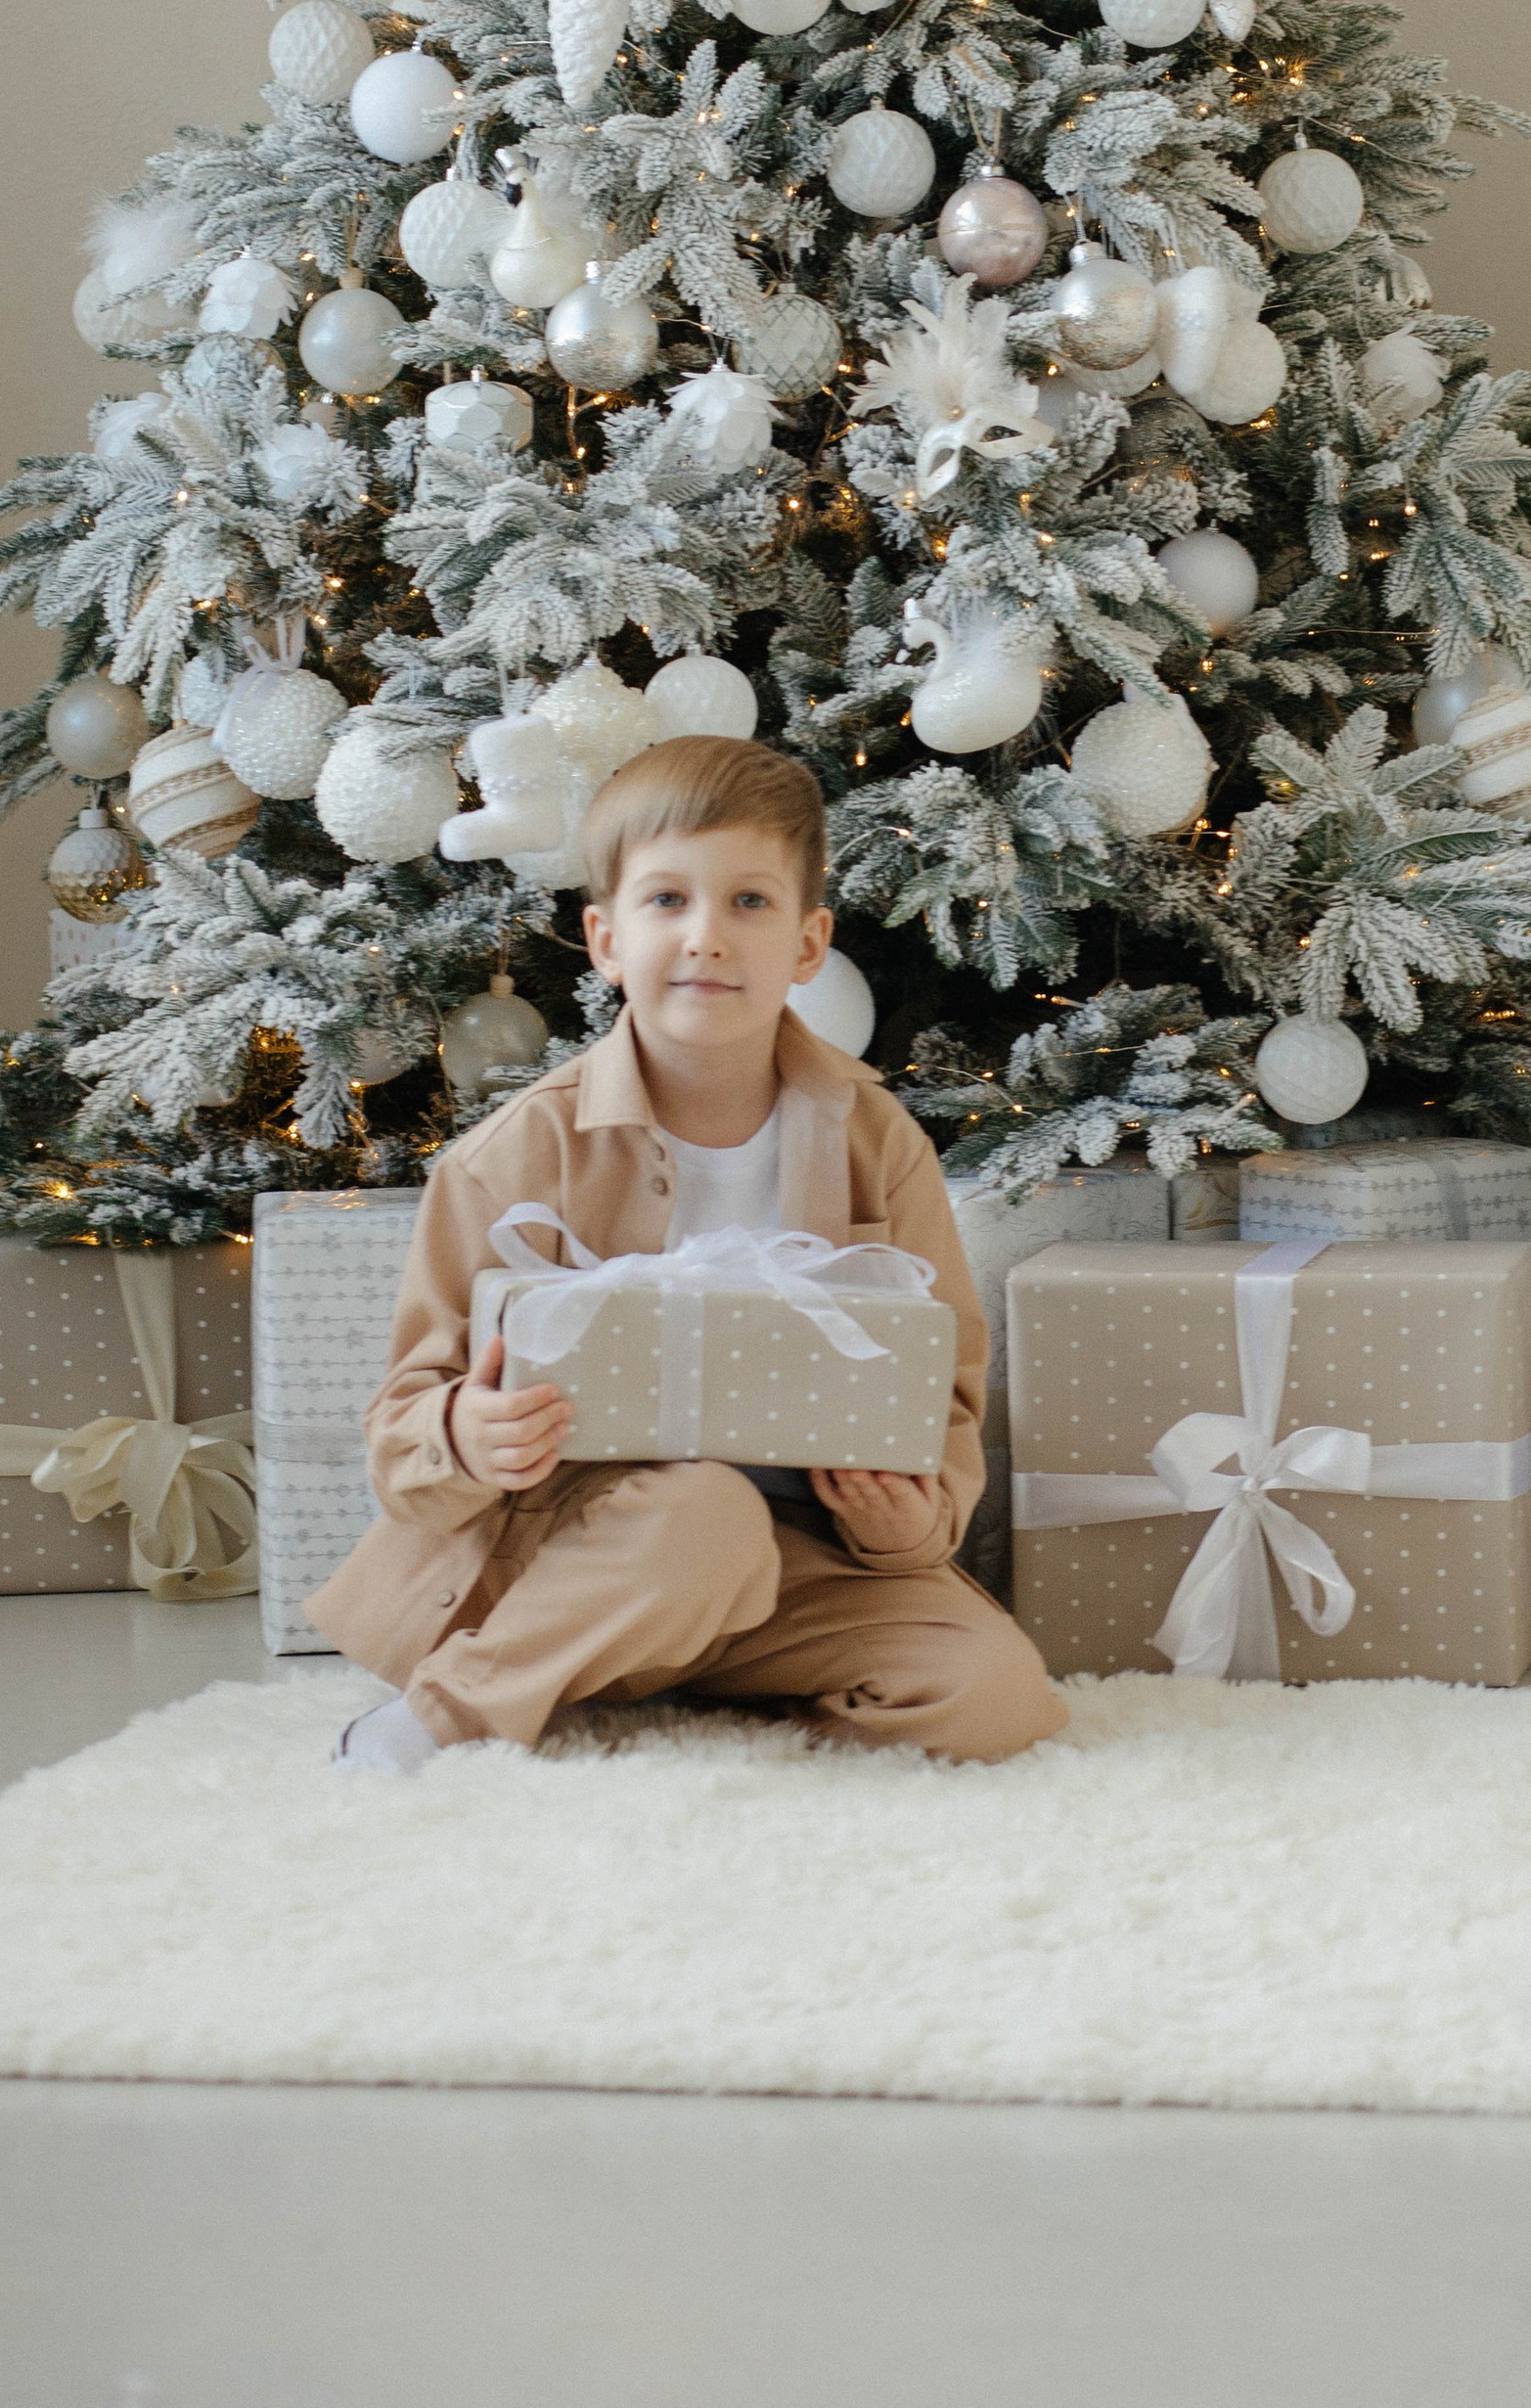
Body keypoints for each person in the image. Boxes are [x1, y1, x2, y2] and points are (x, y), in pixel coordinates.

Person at [310, 731, 1065, 1772]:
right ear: (606, 938)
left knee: (995, 1701)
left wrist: (901, 1523)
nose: (706, 936)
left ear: (807, 946)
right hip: (586, 1548)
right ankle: (450, 1718)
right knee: (701, 1515)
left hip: (802, 1562)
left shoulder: (876, 1143)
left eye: (748, 903)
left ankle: (684, 1690)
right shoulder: (512, 1155)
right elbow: (405, 1425)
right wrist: (469, 1434)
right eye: (667, 901)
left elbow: (945, 1396)